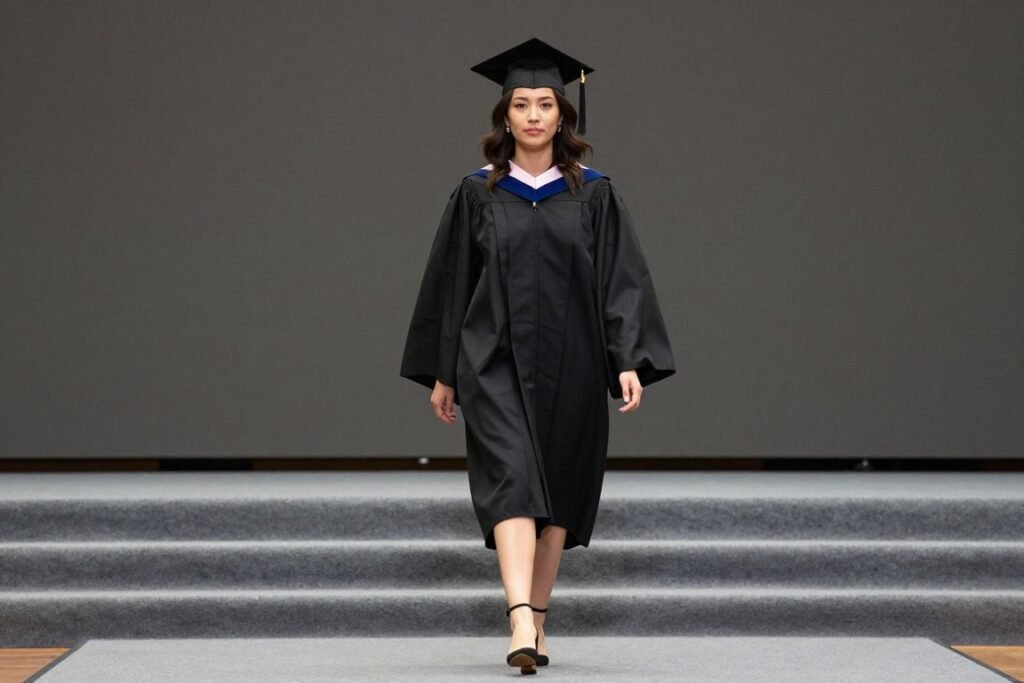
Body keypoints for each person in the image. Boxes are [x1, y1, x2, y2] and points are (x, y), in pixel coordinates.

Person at [399, 37, 675, 674]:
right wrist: (444, 371)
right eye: (520, 103)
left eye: (544, 103)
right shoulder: (476, 193)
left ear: (562, 115)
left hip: (574, 362)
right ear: (504, 114)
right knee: (513, 482)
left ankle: (539, 621)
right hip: (491, 359)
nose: (532, 115)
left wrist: (626, 358)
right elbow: (451, 283)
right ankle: (519, 616)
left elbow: (619, 280)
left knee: (559, 498)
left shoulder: (594, 194)